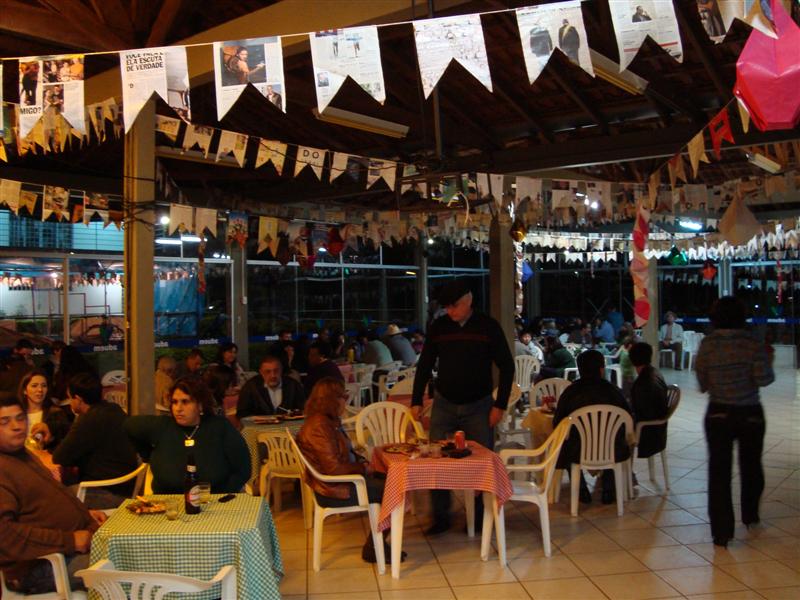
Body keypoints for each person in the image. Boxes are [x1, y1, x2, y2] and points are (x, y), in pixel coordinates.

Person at [411, 279, 515, 535]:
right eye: (446, 307)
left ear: (468, 300)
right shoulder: (439, 327)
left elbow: (507, 366)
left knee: (481, 461)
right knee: (436, 460)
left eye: (454, 305)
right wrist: (416, 399)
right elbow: (425, 364)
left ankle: (479, 517)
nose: (450, 311)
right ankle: (440, 516)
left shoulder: (487, 326)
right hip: (444, 402)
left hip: (479, 404)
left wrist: (500, 405)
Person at [0, 394, 108, 595]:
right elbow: (5, 535)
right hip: (40, 567)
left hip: (68, 550)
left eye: (20, 418)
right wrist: (70, 540)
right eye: (4, 422)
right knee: (121, 566)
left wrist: (85, 513)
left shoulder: (23, 454)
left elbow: (50, 497)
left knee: (131, 549)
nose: (16, 426)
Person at [296, 377, 403, 564]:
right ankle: (374, 546)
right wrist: (362, 467)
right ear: (332, 399)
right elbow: (334, 469)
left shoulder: (326, 421)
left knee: (393, 480)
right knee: (396, 489)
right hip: (335, 489)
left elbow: (342, 457)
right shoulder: (319, 426)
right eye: (343, 396)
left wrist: (361, 464)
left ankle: (377, 543)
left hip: (342, 482)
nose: (346, 401)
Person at [695, 297, 774, 547]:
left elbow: (702, 384)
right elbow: (764, 379)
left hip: (718, 414)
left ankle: (721, 532)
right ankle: (750, 515)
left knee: (719, 471)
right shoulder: (752, 343)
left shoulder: (708, 344)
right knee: (751, 466)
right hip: (750, 413)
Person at [124, 378, 250, 494]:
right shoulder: (162, 426)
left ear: (200, 405)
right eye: (174, 402)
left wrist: (224, 492)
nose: (178, 408)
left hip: (213, 500)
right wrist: (148, 456)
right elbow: (129, 426)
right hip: (167, 502)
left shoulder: (219, 427)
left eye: (185, 402)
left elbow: (243, 469)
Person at [553, 350, 632, 504]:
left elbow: (558, 424)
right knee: (613, 439)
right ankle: (608, 490)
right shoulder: (614, 391)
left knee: (565, 444)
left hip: (577, 451)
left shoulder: (570, 392)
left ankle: (581, 488)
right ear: (601, 369)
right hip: (611, 449)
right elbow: (628, 420)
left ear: (580, 369)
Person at [52, 373, 138, 509]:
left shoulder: (89, 420)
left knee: (54, 498)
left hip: (105, 492)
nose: (70, 403)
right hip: (126, 488)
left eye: (70, 398)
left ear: (78, 399)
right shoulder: (113, 409)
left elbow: (59, 457)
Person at [628, 342, 669, 461]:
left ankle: (618, 469)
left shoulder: (642, 383)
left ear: (632, 360)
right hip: (659, 429)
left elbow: (639, 411)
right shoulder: (655, 373)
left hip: (648, 430)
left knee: (612, 430)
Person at [237, 355, 306, 418]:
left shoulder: (293, 385)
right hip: (259, 426)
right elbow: (242, 413)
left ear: (281, 370)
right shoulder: (251, 387)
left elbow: (303, 409)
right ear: (261, 372)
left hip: (289, 426)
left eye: (276, 371)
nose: (273, 375)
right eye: (268, 372)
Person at [19, 369, 71, 452]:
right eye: (34, 386)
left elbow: (66, 441)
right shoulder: (17, 414)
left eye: (44, 386)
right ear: (24, 390)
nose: (40, 389)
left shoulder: (56, 413)